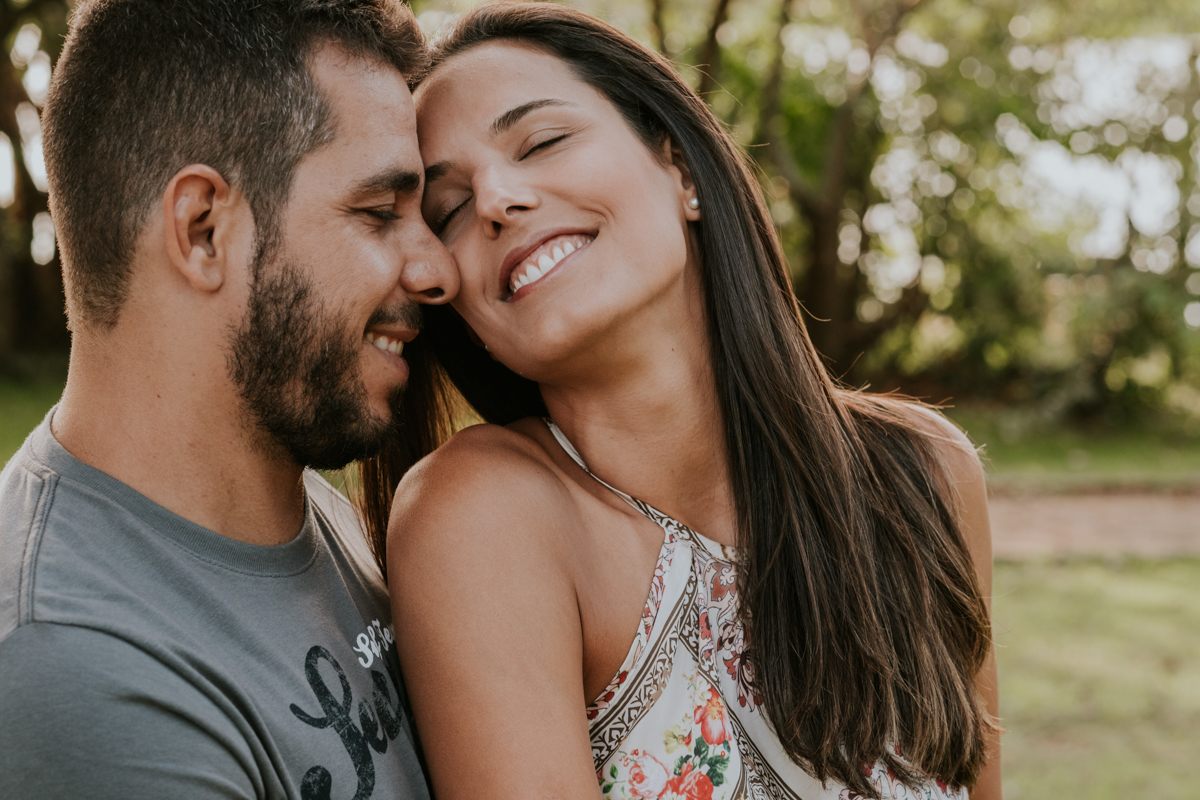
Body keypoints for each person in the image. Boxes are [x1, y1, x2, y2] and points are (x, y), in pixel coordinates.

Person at [359, 4, 1002, 799]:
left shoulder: (924, 477)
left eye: (542, 142)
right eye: (448, 209)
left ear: (682, 169)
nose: (495, 200)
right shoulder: (486, 515)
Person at [0, 1, 458, 797]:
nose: (435, 271)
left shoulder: (304, 507)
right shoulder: (77, 667)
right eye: (381, 212)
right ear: (204, 228)